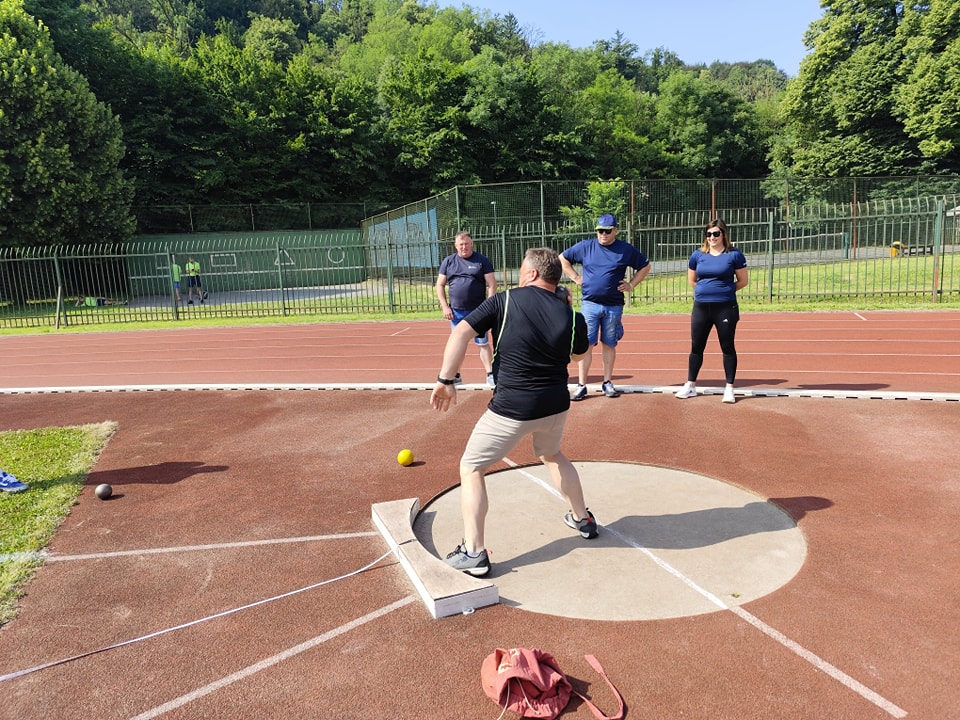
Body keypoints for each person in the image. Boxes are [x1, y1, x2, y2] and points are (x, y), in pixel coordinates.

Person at [430, 247, 596, 577]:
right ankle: (583, 519)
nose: (518, 275)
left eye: (521, 270)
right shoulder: (572, 316)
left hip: (512, 407)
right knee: (552, 454)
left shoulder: (503, 301)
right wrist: (563, 317)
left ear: (532, 273)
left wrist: (445, 380)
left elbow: (462, 331)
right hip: (555, 405)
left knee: (472, 467)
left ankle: (473, 552)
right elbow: (579, 356)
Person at [560, 213, 650, 400]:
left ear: (615, 231)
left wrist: (631, 284)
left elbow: (645, 266)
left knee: (609, 343)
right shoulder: (586, 246)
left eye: (607, 231)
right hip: (590, 304)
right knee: (586, 344)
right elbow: (563, 258)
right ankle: (582, 385)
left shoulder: (625, 249)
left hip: (613, 306)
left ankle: (607, 382)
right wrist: (575, 277)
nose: (603, 234)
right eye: (600, 231)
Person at [675, 218, 749, 404]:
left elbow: (743, 281)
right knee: (696, 347)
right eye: (708, 234)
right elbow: (692, 281)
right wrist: (705, 291)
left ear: (723, 234)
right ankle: (691, 385)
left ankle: (729, 388)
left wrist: (724, 291)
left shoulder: (734, 255)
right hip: (701, 307)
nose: (712, 237)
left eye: (716, 233)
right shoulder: (697, 255)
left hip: (725, 308)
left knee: (727, 346)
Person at [435, 230, 498, 387]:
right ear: (456, 245)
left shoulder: (482, 261)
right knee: (457, 344)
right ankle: (455, 375)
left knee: (483, 343)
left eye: (467, 244)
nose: (464, 247)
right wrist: (445, 306)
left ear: (472, 244)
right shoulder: (448, 261)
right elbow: (440, 285)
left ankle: (490, 374)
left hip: (478, 311)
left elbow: (492, 284)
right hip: (456, 312)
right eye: (461, 244)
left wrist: (489, 306)